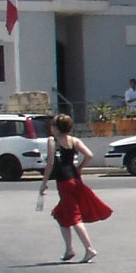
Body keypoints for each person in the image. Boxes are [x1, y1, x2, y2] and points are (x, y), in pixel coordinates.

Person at [38, 113, 112, 263]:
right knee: (61, 214)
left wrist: (44, 182)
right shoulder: (74, 140)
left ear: (57, 128)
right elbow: (89, 155)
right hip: (75, 180)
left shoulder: (52, 140)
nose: (51, 128)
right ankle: (69, 250)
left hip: (64, 183)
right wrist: (80, 167)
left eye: (52, 125)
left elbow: (50, 163)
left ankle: (89, 249)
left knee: (74, 217)